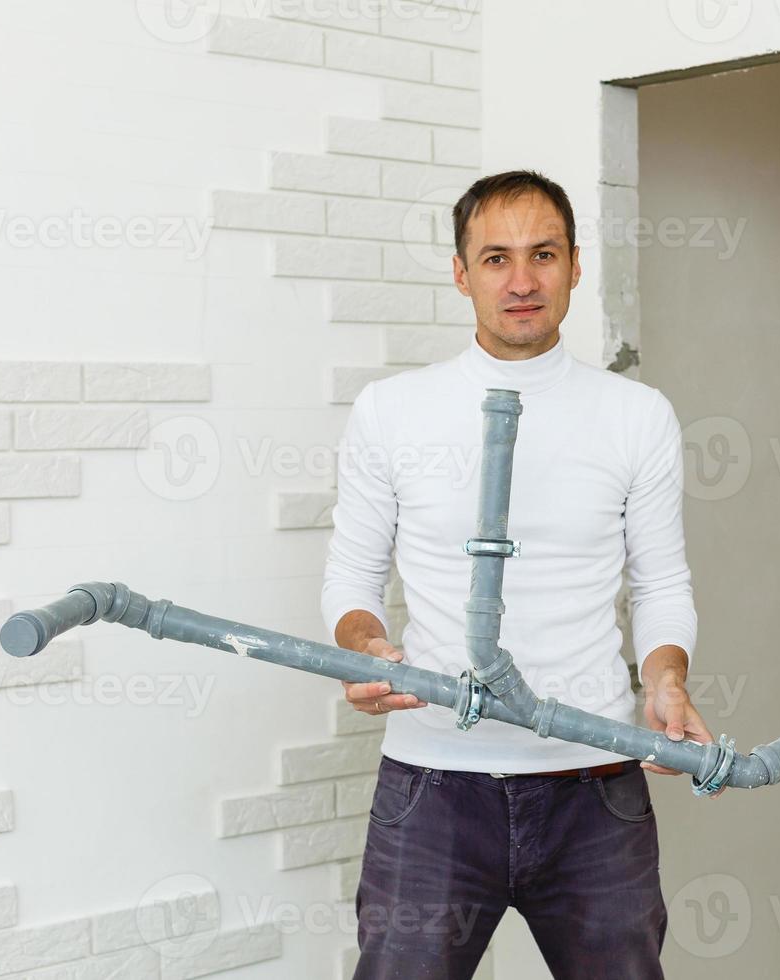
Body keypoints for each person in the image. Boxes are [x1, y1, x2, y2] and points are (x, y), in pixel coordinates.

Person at [321, 169, 712, 980]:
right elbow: (351, 581)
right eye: (496, 258)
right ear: (461, 273)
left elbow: (662, 583)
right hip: (433, 785)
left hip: (595, 784)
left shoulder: (636, 416)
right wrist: (365, 648)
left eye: (544, 254)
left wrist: (666, 677)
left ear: (576, 266)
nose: (523, 280)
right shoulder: (392, 412)